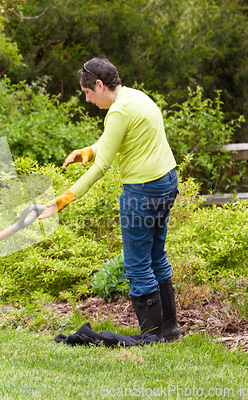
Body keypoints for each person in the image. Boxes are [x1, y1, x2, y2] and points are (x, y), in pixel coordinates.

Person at [37, 57, 180, 342]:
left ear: (100, 85)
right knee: (156, 256)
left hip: (142, 192)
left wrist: (61, 200)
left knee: (138, 265)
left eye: (87, 92)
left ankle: (152, 336)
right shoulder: (136, 98)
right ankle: (169, 331)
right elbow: (112, 141)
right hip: (167, 182)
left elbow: (102, 167)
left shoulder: (117, 112)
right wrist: (88, 151)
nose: (87, 99)